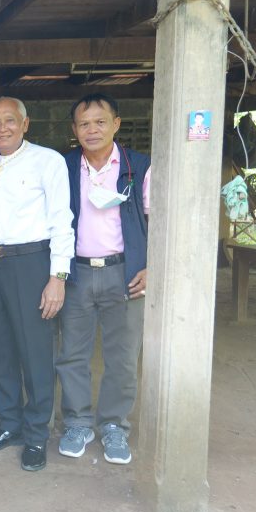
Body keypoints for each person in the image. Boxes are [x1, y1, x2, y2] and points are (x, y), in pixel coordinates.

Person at [0, 97, 74, 472]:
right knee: (0, 350)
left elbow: (62, 220)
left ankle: (35, 434)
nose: (2, 128)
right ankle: (10, 424)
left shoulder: (49, 161)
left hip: (32, 263)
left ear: (25, 124)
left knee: (35, 352)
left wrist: (57, 278)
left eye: (10, 120)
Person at [57, 93, 150, 464]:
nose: (92, 130)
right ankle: (77, 423)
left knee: (123, 356)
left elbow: (161, 220)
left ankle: (113, 425)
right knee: (72, 354)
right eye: (84, 123)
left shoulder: (138, 166)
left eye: (100, 122)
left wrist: (152, 266)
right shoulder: (64, 167)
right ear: (74, 129)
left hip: (124, 272)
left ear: (116, 124)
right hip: (76, 272)